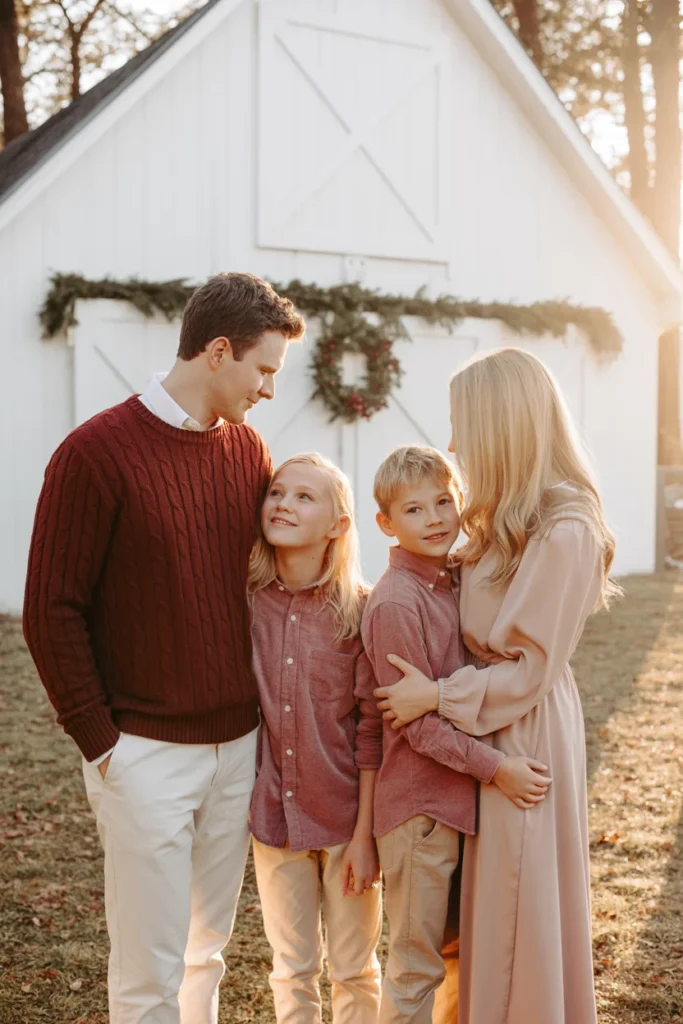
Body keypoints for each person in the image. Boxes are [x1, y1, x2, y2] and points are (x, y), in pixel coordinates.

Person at [22, 272, 305, 1024]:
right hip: (141, 751)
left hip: (235, 744)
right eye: (264, 370)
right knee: (147, 972)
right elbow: (51, 610)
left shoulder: (248, 453)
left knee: (203, 955)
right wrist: (103, 746)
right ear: (218, 351)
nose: (270, 389)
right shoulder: (93, 454)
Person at [375, 349, 619, 1024]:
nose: (452, 444)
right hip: (480, 728)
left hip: (519, 725)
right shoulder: (499, 516)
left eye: (462, 425)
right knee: (476, 913)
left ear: (499, 426)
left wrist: (437, 698)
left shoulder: (565, 525)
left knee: (516, 907)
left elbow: (529, 670)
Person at [356, 445, 552, 1024]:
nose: (436, 518)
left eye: (444, 501)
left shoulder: (452, 581)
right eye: (414, 510)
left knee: (459, 955)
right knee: (416, 964)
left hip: (456, 804)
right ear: (386, 524)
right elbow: (417, 728)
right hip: (419, 811)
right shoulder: (396, 601)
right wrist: (499, 769)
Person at [248, 452, 382, 1023]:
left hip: (345, 820)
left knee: (354, 969)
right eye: (278, 492)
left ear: (338, 525)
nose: (284, 504)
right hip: (274, 821)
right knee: (291, 967)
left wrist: (365, 836)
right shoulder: (247, 600)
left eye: (305, 497)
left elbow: (373, 733)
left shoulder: (362, 611)